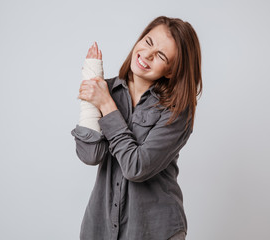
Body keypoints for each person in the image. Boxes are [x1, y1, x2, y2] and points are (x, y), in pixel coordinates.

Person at [71, 16, 202, 240]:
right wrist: (95, 97)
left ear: (171, 71)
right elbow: (91, 155)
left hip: (155, 230)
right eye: (148, 42)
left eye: (161, 55)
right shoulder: (107, 89)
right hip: (101, 228)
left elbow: (136, 168)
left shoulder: (177, 110)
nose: (148, 55)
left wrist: (105, 105)